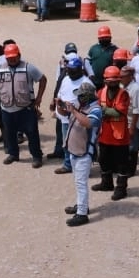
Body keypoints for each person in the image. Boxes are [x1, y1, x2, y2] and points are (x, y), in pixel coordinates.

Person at [0, 42, 47, 167]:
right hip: (6, 109)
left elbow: (43, 79)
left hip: (26, 109)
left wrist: (39, 98)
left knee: (32, 133)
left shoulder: (28, 67)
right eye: (9, 58)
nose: (12, 60)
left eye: (14, 57)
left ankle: (36, 156)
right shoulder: (0, 69)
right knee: (9, 133)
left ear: (19, 55)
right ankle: (13, 154)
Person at [57, 82, 103, 226]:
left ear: (88, 96)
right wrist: (61, 106)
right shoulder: (81, 106)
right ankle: (81, 205)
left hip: (85, 152)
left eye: (81, 96)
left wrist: (74, 111)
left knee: (81, 183)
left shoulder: (96, 109)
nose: (79, 99)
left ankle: (82, 214)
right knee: (77, 181)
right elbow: (66, 113)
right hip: (75, 150)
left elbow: (88, 123)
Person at [93, 66, 132, 197]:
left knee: (121, 163)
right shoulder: (100, 92)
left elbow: (120, 111)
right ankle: (106, 183)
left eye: (115, 81)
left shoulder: (123, 94)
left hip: (120, 136)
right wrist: (108, 111)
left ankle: (121, 188)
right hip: (104, 134)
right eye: (110, 81)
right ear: (105, 81)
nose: (113, 83)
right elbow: (97, 109)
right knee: (103, 160)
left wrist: (104, 111)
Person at [52, 55, 94, 175]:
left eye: (73, 70)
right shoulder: (66, 79)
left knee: (81, 145)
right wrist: (58, 103)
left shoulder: (86, 83)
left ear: (80, 69)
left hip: (79, 119)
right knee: (67, 143)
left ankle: (84, 168)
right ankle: (67, 164)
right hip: (65, 117)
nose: (70, 72)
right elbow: (60, 93)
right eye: (69, 69)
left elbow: (91, 104)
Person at [120, 64, 139, 176]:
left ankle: (131, 170)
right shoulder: (121, 86)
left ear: (130, 76)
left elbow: (136, 110)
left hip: (131, 122)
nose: (121, 78)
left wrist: (132, 127)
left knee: (132, 147)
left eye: (123, 76)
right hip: (122, 121)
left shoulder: (136, 89)